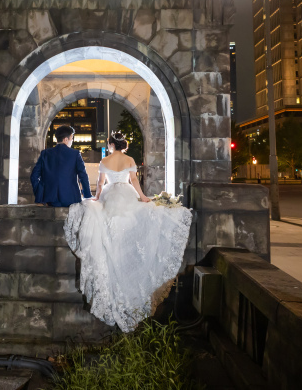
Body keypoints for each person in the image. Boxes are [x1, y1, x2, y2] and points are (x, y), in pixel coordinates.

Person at [64, 131, 192, 332]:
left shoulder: (105, 160)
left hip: (110, 194)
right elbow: (134, 181)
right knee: (133, 224)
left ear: (111, 144)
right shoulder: (129, 159)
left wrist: (97, 197)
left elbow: (99, 184)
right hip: (126, 193)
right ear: (122, 144)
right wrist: (142, 197)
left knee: (108, 226)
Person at [30, 125, 92, 206]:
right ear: (66, 139)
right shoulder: (75, 154)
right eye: (71, 139)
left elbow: (34, 176)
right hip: (70, 199)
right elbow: (83, 176)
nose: (72, 141)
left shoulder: (45, 153)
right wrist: (87, 195)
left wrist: (40, 195)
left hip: (49, 199)